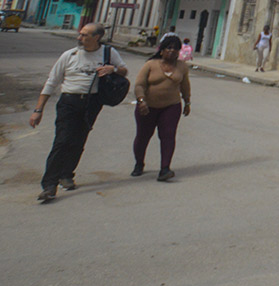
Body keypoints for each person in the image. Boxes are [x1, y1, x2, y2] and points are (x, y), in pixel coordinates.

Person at [29, 22, 128, 202]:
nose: (80, 38)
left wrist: (112, 69)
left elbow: (123, 70)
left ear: (96, 37)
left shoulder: (108, 53)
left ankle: (67, 175)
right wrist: (38, 109)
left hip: (92, 103)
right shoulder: (69, 55)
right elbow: (51, 82)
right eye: (80, 34)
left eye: (85, 35)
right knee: (62, 141)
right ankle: (49, 184)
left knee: (79, 139)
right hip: (69, 102)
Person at [132, 36, 191, 181]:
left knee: (168, 136)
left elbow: (185, 86)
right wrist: (141, 101)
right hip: (148, 107)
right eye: (168, 48)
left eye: (175, 49)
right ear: (162, 50)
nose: (172, 51)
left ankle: (165, 168)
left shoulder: (182, 67)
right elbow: (139, 85)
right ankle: (139, 163)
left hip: (171, 106)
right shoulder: (151, 65)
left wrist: (187, 102)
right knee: (143, 137)